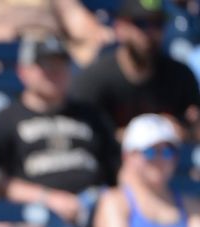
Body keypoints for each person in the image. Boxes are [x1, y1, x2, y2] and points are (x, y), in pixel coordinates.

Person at [0, 33, 118, 226]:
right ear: (23, 71)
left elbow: (117, 170)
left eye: (60, 65)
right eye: (45, 66)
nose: (54, 73)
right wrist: (46, 198)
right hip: (35, 217)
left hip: (98, 213)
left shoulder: (92, 116)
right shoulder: (5, 121)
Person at [69, 0, 200, 138]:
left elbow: (195, 127)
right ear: (119, 28)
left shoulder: (180, 75)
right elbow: (82, 136)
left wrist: (184, 131)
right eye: (141, 23)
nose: (149, 32)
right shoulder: (93, 80)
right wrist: (138, 135)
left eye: (157, 24)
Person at [93, 113, 200, 227]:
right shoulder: (114, 203)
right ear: (129, 156)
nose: (160, 159)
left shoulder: (190, 205)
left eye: (167, 151)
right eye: (150, 151)